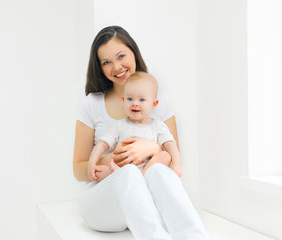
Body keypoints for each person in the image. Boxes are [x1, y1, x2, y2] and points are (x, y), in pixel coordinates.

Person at [73, 25, 209, 240]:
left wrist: (153, 148)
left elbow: (171, 159)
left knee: (158, 172)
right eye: (106, 62)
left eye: (121, 56)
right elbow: (79, 170)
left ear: (133, 53)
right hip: (104, 203)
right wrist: (113, 160)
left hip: (147, 201)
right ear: (99, 67)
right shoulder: (92, 104)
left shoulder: (158, 99)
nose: (117, 66)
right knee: (128, 173)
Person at [88, 72, 183, 182]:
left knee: (165, 155)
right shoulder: (120, 126)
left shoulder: (157, 126)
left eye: (141, 100)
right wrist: (92, 163)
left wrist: (176, 165)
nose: (135, 103)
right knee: (98, 172)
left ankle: (141, 177)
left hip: (148, 169)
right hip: (122, 168)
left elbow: (171, 145)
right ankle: (125, 177)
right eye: (130, 99)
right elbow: (102, 144)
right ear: (123, 101)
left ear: (153, 104)